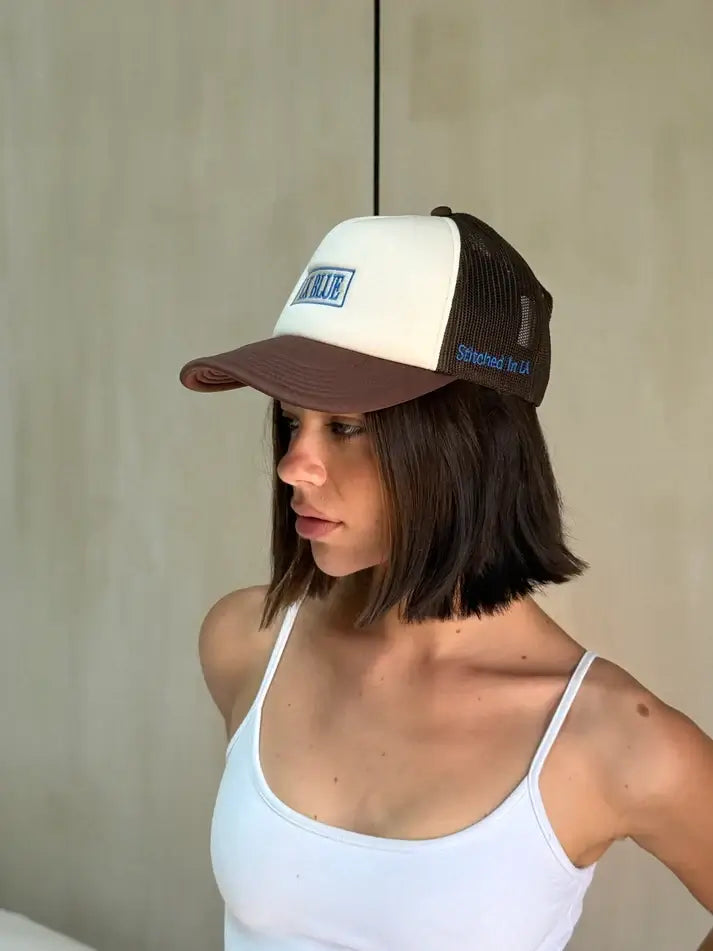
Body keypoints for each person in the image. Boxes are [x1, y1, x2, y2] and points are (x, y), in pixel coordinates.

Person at [179, 208, 713, 950]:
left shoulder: (611, 738)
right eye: (290, 421)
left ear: (467, 443)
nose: (292, 465)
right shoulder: (247, 643)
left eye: (343, 426)